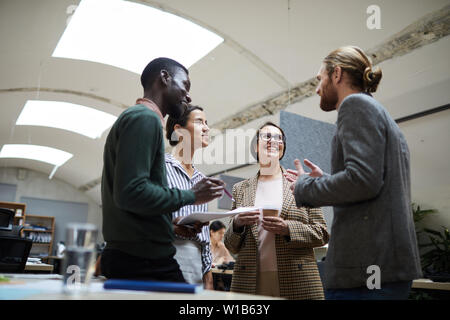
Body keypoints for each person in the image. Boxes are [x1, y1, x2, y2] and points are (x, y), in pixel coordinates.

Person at [286, 46, 422, 300]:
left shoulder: (354, 105)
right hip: (381, 268)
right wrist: (326, 181)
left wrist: (306, 187)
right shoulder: (376, 111)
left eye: (320, 79)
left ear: (336, 74)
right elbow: (368, 180)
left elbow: (362, 181)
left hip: (366, 271)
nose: (317, 89)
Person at [100, 57, 225, 281]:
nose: (188, 96)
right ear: (164, 78)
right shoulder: (145, 119)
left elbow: (135, 202)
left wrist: (170, 225)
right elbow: (131, 193)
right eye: (185, 86)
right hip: (143, 259)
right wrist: (192, 195)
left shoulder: (138, 117)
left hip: (134, 255)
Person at [224, 122, 329, 299]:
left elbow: (322, 233)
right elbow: (231, 244)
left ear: (282, 148)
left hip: (297, 277)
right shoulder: (240, 189)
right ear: (256, 147)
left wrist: (288, 228)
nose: (274, 141)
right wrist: (237, 223)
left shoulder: (300, 183)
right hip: (250, 279)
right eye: (267, 136)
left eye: (279, 138)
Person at [164, 105, 213, 288]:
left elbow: (205, 239)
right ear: (179, 130)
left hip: (196, 267)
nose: (207, 127)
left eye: (207, 123)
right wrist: (171, 227)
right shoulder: (159, 167)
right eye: (199, 121)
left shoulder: (202, 180)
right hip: (165, 258)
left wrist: (208, 279)